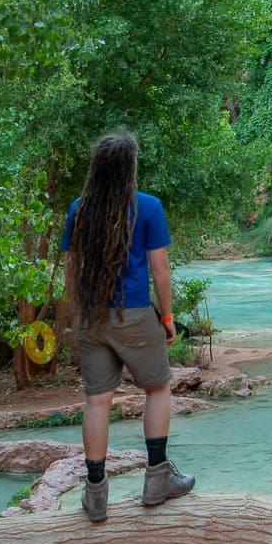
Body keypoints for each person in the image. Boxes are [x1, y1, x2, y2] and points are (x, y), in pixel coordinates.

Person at [61, 128, 194, 523]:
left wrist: (77, 315)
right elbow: (160, 270)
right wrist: (167, 317)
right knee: (157, 387)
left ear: (97, 168)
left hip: (92, 316)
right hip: (135, 315)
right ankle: (157, 479)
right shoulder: (148, 207)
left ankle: (96, 494)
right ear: (130, 167)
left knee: (98, 401)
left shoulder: (79, 209)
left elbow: (73, 269)